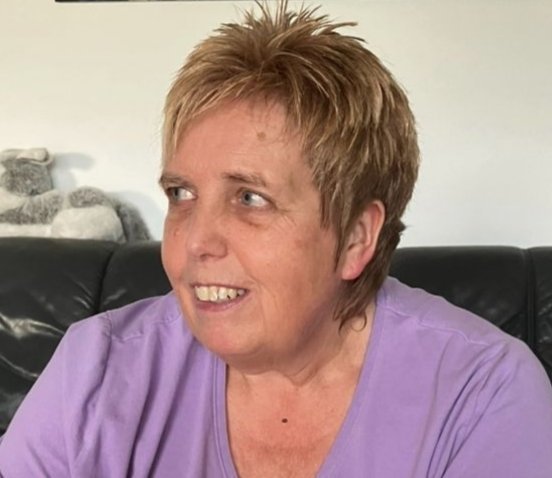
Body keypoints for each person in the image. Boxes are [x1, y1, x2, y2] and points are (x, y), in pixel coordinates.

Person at [1, 1, 552, 476]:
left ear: (356, 237)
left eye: (250, 198)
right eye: (181, 193)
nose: (195, 242)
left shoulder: (483, 395)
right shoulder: (94, 370)